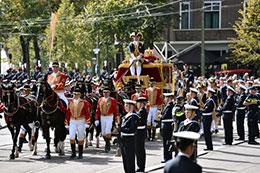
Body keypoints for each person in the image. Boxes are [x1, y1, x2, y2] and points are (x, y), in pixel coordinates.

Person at [66, 87, 91, 159]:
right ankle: (73, 153)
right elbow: (68, 113)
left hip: (81, 121)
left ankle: (80, 154)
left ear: (80, 95)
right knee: (71, 137)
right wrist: (66, 123)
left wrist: (87, 122)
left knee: (80, 137)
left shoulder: (84, 102)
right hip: (72, 120)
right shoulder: (70, 102)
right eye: (74, 94)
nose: (75, 95)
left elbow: (87, 113)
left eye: (77, 94)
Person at [95, 87, 119, 152]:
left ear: (109, 93)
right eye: (104, 92)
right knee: (103, 133)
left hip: (109, 116)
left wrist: (117, 118)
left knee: (107, 131)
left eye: (107, 92)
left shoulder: (112, 100)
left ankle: (107, 145)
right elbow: (97, 109)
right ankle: (107, 142)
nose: (105, 94)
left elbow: (115, 110)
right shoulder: (100, 100)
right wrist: (96, 118)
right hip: (102, 117)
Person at [121, 99, 138, 173]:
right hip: (123, 139)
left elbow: (132, 129)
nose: (125, 107)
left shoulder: (133, 116)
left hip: (129, 139)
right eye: (125, 105)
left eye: (126, 105)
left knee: (129, 159)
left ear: (131, 107)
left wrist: (120, 129)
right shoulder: (126, 116)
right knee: (125, 159)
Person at [160, 93, 175, 163]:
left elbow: (164, 116)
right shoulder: (168, 106)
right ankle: (167, 157)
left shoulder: (170, 106)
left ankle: (167, 158)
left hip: (167, 127)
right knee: (166, 143)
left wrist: (160, 116)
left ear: (168, 98)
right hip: (166, 126)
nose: (164, 99)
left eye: (166, 98)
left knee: (167, 143)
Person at [135, 97, 148, 173]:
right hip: (140, 133)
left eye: (139, 103)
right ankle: (140, 166)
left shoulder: (142, 111)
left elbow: (140, 123)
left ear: (142, 103)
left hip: (139, 133)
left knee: (139, 151)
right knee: (140, 151)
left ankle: (140, 167)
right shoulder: (141, 111)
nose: (137, 104)